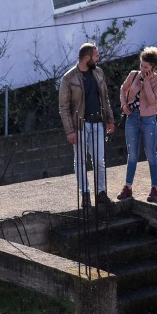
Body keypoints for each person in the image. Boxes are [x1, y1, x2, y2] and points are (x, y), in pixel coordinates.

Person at [58, 42, 115, 208]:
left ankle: (101, 193)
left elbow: (105, 99)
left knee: (99, 161)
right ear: (87, 57)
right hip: (80, 126)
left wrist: (110, 120)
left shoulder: (98, 72)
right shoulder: (68, 78)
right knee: (81, 161)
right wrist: (69, 131)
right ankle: (85, 194)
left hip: (98, 123)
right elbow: (63, 107)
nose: (98, 58)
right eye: (96, 55)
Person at [117, 46, 157, 203]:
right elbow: (123, 89)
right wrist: (124, 105)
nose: (142, 69)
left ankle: (155, 189)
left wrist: (146, 81)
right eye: (141, 65)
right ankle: (127, 187)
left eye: (146, 67)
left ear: (153, 67)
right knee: (132, 154)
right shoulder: (133, 75)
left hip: (149, 120)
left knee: (151, 154)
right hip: (132, 118)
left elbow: (153, 100)